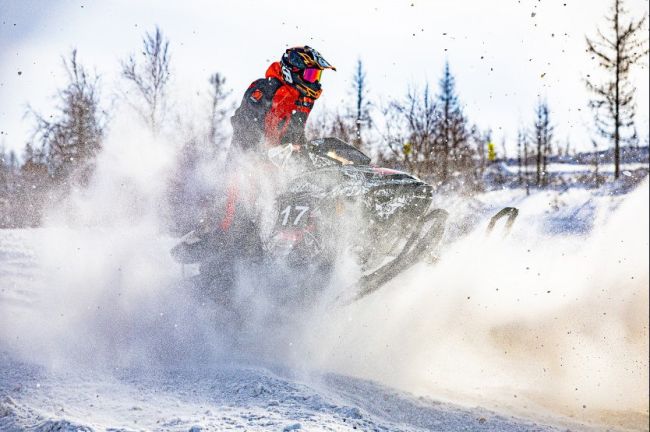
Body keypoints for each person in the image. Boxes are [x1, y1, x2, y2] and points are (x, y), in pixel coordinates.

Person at [230, 46, 336, 153]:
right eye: (310, 75)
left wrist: (306, 152)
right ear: (294, 71)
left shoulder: (305, 100)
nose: (314, 82)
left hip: (282, 164)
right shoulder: (265, 88)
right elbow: (244, 127)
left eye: (317, 76)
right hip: (247, 160)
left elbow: (296, 137)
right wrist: (266, 154)